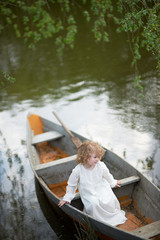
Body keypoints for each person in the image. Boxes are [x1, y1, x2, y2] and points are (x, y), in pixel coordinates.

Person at [58, 140, 127, 226]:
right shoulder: (78, 170)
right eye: (95, 157)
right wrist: (67, 198)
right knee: (93, 204)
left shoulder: (100, 165)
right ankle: (98, 222)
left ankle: (110, 217)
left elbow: (107, 175)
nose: (97, 159)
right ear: (85, 157)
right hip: (88, 192)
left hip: (100, 187)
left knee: (109, 199)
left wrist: (113, 182)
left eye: (98, 157)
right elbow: (72, 185)